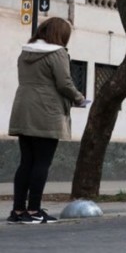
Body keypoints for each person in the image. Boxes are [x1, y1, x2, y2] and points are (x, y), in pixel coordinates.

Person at [7, 17, 86, 224]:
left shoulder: (25, 52)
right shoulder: (57, 53)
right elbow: (64, 82)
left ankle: (17, 210)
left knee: (26, 162)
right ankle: (34, 210)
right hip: (46, 111)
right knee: (42, 162)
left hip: (23, 108)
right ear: (61, 35)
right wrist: (79, 98)